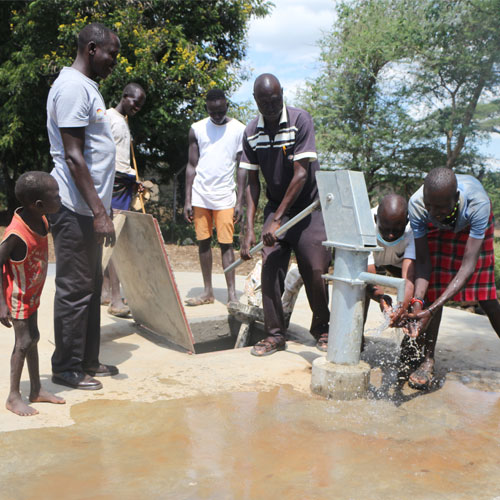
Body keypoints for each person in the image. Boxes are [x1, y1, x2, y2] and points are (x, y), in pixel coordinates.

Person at [46, 23, 120, 390]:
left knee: (89, 286)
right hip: (74, 208)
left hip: (85, 209)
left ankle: (87, 360)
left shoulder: (87, 88)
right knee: (75, 289)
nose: (114, 62)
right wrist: (100, 212)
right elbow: (74, 158)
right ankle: (66, 367)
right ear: (92, 49)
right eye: (112, 54)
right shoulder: (74, 88)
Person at [240, 73, 331, 356]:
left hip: (308, 208)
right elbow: (252, 184)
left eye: (276, 99)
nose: (271, 105)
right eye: (264, 101)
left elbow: (301, 174)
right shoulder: (251, 132)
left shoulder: (299, 120)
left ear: (282, 95)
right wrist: (250, 228)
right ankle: (274, 334)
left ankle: (323, 328)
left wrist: (278, 219)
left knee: (315, 269)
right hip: (276, 205)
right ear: (256, 100)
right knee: (270, 267)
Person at [407, 167, 500, 389]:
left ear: (456, 198)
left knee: (486, 298)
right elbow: (423, 262)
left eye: (439, 206)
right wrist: (419, 304)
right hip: (440, 229)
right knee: (432, 291)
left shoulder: (478, 204)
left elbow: (468, 268)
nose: (433, 211)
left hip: (469, 226)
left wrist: (431, 310)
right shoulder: (419, 205)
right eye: (429, 205)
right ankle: (428, 361)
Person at [0, 172, 65, 416]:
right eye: (56, 197)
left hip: (32, 293)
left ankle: (36, 389)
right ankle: (13, 396)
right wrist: (1, 304)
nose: (60, 200)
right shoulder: (16, 233)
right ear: (38, 205)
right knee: (24, 342)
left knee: (34, 338)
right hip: (16, 297)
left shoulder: (42, 220)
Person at [183, 89, 246, 306]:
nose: (217, 116)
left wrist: (240, 202)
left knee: (227, 245)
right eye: (212, 112)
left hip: (225, 197)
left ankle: (232, 295)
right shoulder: (197, 129)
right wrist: (187, 199)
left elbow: (242, 168)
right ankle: (207, 292)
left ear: (227, 106)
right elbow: (191, 166)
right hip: (200, 196)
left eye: (220, 112)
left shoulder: (239, 129)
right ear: (207, 109)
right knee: (203, 243)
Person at [102, 83, 146, 317]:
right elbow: (102, 154)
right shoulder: (109, 117)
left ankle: (108, 292)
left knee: (113, 239)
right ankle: (115, 299)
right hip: (114, 185)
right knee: (114, 241)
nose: (137, 107)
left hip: (123, 183)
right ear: (124, 96)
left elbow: (122, 158)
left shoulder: (124, 121)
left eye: (140, 105)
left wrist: (133, 179)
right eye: (135, 102)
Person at [365, 194, 415, 325]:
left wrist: (401, 307)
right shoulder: (365, 225)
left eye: (397, 230)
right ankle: (356, 336)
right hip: (372, 261)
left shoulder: (413, 230)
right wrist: (382, 299)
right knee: (360, 286)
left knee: (416, 292)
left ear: (406, 222)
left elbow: (408, 279)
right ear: (376, 219)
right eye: (385, 229)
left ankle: (410, 336)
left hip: (399, 264)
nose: (391, 235)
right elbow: (369, 276)